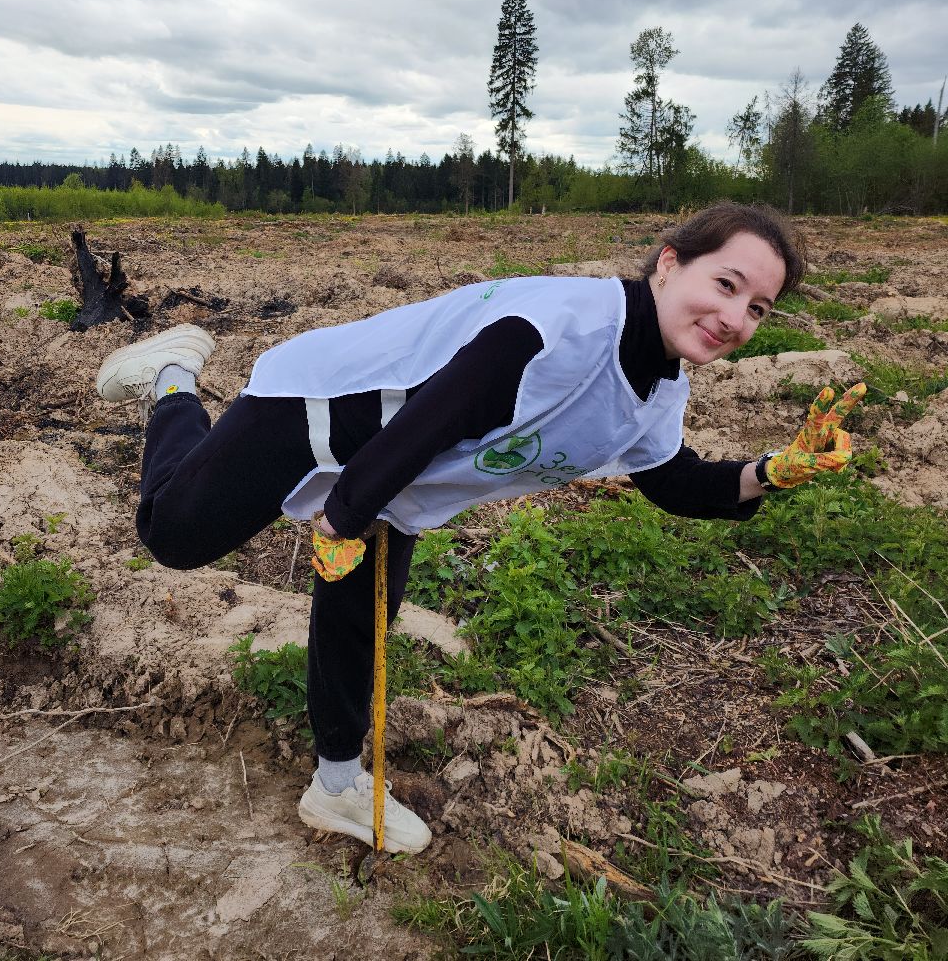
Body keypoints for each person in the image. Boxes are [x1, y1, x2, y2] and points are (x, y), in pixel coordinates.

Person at [94, 202, 864, 854]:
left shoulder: (659, 390)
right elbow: (439, 416)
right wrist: (343, 516)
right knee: (174, 536)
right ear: (669, 264)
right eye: (725, 284)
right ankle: (173, 379)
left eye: (758, 307)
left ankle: (335, 787)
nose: (734, 317)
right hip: (326, 410)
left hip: (395, 478)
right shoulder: (559, 327)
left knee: (359, 622)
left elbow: (672, 480)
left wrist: (772, 471)